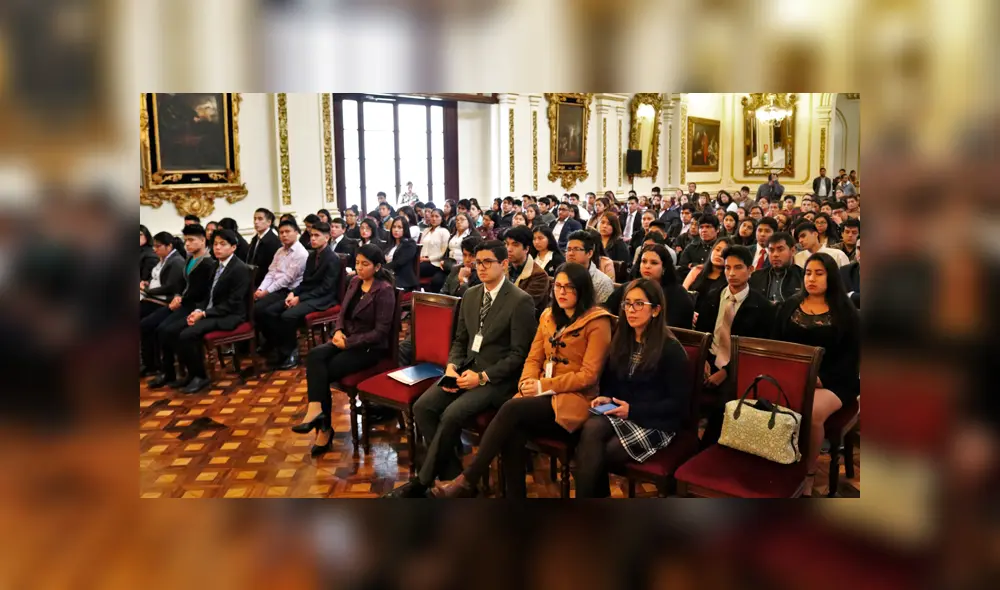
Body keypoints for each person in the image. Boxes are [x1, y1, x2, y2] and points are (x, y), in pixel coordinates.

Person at [429, 263, 614, 498]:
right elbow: (533, 357)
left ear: (583, 290)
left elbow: (589, 376)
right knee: (513, 430)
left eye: (569, 287)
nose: (562, 292)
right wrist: (528, 382)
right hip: (540, 396)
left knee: (511, 410)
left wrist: (542, 386)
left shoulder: (598, 321)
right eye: (558, 286)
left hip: (574, 399)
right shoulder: (548, 315)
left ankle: (468, 479)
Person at [388, 241, 538, 498]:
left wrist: (481, 377)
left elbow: (519, 356)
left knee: (451, 414)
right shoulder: (470, 294)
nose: (481, 267)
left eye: (488, 262)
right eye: (477, 262)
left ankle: (422, 482)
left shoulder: (519, 301)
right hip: (466, 370)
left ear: (503, 264)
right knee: (423, 407)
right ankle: (454, 476)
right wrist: (451, 366)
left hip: (497, 379)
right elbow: (460, 340)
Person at [575, 278, 691, 497]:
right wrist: (607, 397)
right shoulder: (623, 338)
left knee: (600, 452)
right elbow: (612, 380)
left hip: (656, 422)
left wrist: (633, 410)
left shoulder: (670, 349)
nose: (631, 310)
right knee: (590, 431)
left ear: (656, 310)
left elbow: (678, 404)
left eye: (639, 304)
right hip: (624, 412)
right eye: (627, 303)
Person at [294, 245, 396, 457]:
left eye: (365, 264)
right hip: (346, 338)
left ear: (377, 267)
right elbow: (342, 312)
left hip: (369, 348)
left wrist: (348, 343)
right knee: (314, 356)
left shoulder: (384, 290)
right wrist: (338, 330)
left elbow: (380, 333)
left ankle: (323, 428)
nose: (359, 268)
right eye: (357, 263)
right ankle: (317, 411)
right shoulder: (355, 282)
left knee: (324, 370)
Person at [772, 252, 861, 496]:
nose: (811, 278)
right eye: (808, 273)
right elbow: (776, 342)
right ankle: (778, 459)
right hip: (794, 374)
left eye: (819, 274)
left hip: (834, 381)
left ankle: (808, 473)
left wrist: (821, 379)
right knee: (768, 398)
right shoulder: (790, 305)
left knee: (810, 412)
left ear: (831, 277)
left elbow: (850, 359)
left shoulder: (846, 313)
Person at [694, 245, 775, 447]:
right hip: (710, 359)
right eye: (727, 268)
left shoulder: (761, 306)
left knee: (726, 401)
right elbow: (702, 334)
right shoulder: (713, 296)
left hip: (740, 366)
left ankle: (708, 452)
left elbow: (756, 350)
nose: (731, 273)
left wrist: (726, 372)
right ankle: (683, 442)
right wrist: (703, 359)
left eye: (738, 267)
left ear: (750, 270)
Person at [167, 229, 251, 394]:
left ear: (233, 247)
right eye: (215, 244)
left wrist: (204, 314)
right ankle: (191, 375)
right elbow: (207, 294)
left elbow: (233, 303)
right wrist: (198, 309)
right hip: (211, 311)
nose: (217, 248)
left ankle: (200, 377)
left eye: (223, 244)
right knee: (172, 330)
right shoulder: (215, 265)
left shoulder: (239, 269)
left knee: (188, 334)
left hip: (231, 316)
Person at [259, 222, 342, 369]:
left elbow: (326, 288)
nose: (313, 239)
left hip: (324, 299)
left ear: (327, 237)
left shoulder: (332, 258)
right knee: (270, 311)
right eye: (311, 235)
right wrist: (293, 293)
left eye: (317, 236)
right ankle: (278, 347)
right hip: (308, 294)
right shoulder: (312, 256)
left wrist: (300, 298)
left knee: (288, 315)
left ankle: (291, 353)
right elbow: (305, 282)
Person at [148, 225, 218, 389]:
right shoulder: (190, 258)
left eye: (192, 240)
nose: (187, 244)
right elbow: (182, 283)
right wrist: (178, 295)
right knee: (161, 329)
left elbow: (202, 292)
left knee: (173, 331)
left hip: (196, 306)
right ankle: (171, 373)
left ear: (203, 240)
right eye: (186, 240)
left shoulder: (207, 263)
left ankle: (198, 374)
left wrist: (183, 299)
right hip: (185, 303)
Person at [252, 220, 310, 357]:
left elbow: (287, 279)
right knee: (255, 308)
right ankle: (272, 341)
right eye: (281, 232)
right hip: (276, 288)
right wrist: (261, 289)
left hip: (290, 290)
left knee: (265, 311)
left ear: (296, 232)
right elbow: (271, 272)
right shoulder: (280, 251)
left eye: (288, 232)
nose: (284, 235)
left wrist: (266, 292)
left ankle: (281, 345)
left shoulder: (300, 253)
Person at [606, 243, 694, 330]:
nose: (647, 266)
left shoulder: (678, 294)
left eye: (654, 263)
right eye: (644, 261)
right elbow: (606, 310)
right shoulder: (628, 287)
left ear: (664, 268)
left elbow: (676, 330)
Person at [139, 232, 187, 375]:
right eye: (154, 246)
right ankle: (148, 361)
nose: (155, 249)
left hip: (165, 300)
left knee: (145, 324)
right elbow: (156, 278)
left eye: (158, 246)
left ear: (169, 246)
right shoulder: (163, 259)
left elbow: (170, 287)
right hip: (155, 296)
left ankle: (152, 364)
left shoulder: (176, 261)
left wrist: (147, 290)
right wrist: (146, 283)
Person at [505, 226, 551, 315]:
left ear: (526, 249)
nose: (509, 249)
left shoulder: (539, 276)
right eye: (507, 244)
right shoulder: (504, 266)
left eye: (515, 245)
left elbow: (521, 306)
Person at [749, 232, 804, 304]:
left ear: (793, 251)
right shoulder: (756, 276)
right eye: (771, 250)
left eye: (780, 250)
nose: (775, 254)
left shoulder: (803, 276)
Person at [564, 230, 614, 304]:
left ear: (590, 253)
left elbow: (603, 312)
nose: (571, 253)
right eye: (568, 249)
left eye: (576, 249)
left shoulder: (602, 282)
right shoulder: (561, 274)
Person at [683, 237, 733, 302]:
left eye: (725, 252)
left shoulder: (730, 277)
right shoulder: (697, 270)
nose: (719, 254)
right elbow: (682, 294)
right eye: (717, 250)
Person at [247, 208, 281, 288]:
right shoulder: (255, 239)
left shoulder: (273, 241)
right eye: (255, 219)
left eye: (260, 219)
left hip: (265, 283)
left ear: (269, 222)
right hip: (253, 279)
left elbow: (270, 267)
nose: (256, 222)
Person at [383, 216, 419, 291]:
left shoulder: (410, 244)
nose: (396, 230)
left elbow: (399, 262)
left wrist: (381, 269)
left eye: (400, 227)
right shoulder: (390, 242)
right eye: (394, 227)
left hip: (402, 279)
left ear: (405, 229)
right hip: (387, 274)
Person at [418, 208, 450, 292]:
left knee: (415, 269)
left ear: (442, 218)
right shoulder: (426, 230)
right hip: (422, 259)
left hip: (435, 262)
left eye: (436, 216)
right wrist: (420, 258)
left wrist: (428, 259)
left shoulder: (444, 232)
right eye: (432, 216)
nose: (434, 219)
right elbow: (421, 247)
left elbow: (443, 252)